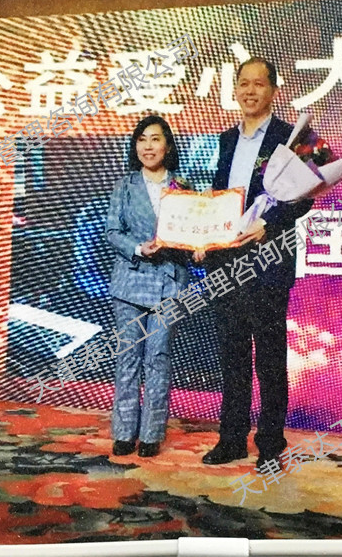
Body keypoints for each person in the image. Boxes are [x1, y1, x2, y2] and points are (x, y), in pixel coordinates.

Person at [196, 57, 313, 468]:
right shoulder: (226, 139)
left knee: (269, 357)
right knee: (232, 355)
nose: (249, 91)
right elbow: (219, 197)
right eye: (243, 83)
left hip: (268, 259)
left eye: (258, 84)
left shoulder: (293, 135)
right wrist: (202, 235)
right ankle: (231, 439)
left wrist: (269, 224)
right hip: (225, 262)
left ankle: (270, 443)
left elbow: (309, 194)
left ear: (274, 90)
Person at [106, 115, 191, 458]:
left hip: (169, 282)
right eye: (142, 139)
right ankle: (124, 432)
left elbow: (192, 233)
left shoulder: (183, 187)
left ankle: (152, 433)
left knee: (158, 357)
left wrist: (199, 247)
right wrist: (139, 248)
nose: (148, 146)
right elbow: (113, 232)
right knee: (128, 357)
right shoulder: (125, 185)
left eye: (155, 139)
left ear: (167, 145)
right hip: (130, 281)